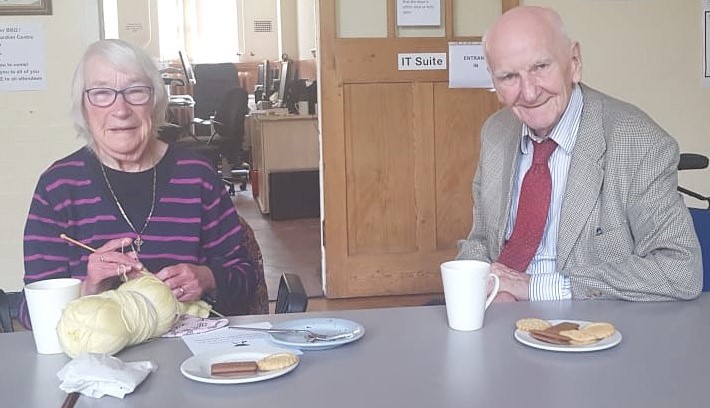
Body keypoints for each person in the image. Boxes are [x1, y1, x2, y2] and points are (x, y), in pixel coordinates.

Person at [457, 6, 702, 302]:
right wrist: (482, 284)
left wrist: (535, 287)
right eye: (509, 76)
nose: (529, 92)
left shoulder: (641, 143)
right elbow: (481, 241)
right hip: (499, 316)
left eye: (540, 67)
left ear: (574, 61)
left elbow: (680, 271)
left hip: (593, 327)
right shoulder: (495, 132)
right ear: (494, 84)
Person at [20, 39, 260, 328]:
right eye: (101, 93)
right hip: (95, 363)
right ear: (84, 107)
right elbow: (30, 311)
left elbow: (246, 277)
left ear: (155, 101)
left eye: (135, 91)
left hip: (189, 357)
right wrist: (88, 289)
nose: (120, 109)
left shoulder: (197, 176)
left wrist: (207, 278)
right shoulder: (57, 187)